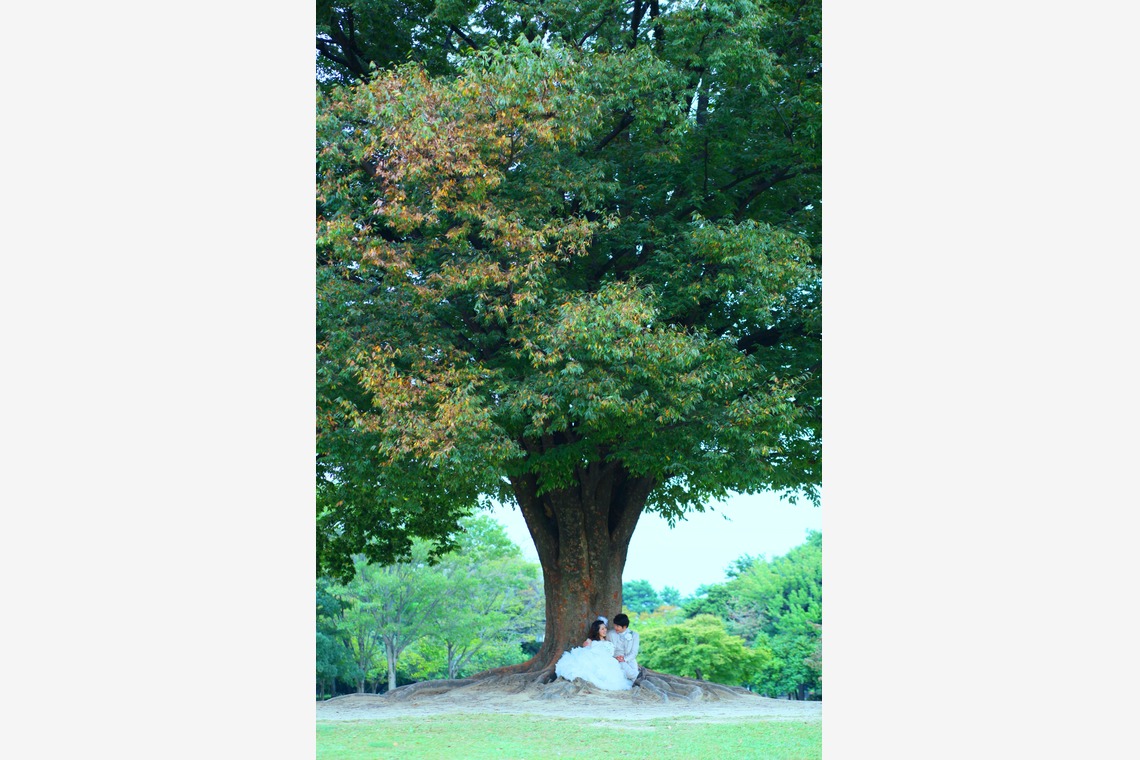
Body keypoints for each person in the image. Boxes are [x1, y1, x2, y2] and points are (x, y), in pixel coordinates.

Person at [553, 617, 633, 691]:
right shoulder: (591, 641)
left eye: (605, 628)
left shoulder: (608, 642)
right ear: (597, 630)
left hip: (607, 662)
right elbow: (585, 651)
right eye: (602, 629)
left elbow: (609, 654)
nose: (605, 630)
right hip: (594, 660)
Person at [605, 613, 640, 682]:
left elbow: (634, 652)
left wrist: (624, 659)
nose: (615, 628)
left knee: (632, 674)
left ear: (625, 626)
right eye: (614, 625)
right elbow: (606, 647)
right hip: (616, 659)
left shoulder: (634, 635)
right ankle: (637, 676)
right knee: (632, 674)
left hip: (630, 659)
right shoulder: (610, 634)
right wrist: (615, 658)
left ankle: (636, 676)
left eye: (618, 626)